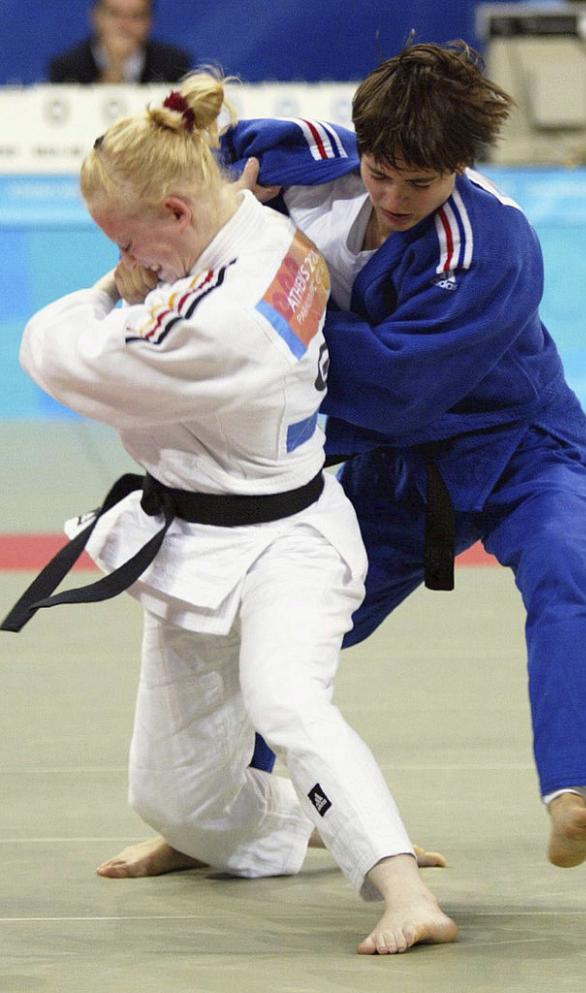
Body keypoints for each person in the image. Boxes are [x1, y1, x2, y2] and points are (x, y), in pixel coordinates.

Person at [95, 40, 586, 884]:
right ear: (364, 144)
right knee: (287, 636)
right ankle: (219, 818)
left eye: (417, 185)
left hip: (522, 446)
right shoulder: (310, 157)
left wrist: (285, 284)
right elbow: (203, 163)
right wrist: (212, 227)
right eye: (381, 173)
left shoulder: (489, 249)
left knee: (563, 574)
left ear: (459, 165)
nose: (392, 197)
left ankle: (575, 792)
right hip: (397, 467)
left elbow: (390, 387)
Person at [4, 70, 457, 956]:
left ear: (177, 212)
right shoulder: (250, 230)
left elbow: (56, 354)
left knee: (286, 698)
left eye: (125, 237)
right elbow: (151, 294)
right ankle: (308, 818)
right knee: (174, 796)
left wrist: (108, 294)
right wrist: (134, 277)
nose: (124, 259)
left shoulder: (234, 311)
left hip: (289, 539)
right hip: (193, 534)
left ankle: (399, 883)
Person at [49, 0, 191, 85]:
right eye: (115, 14)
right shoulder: (67, 69)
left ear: (150, 21)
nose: (124, 25)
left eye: (135, 16)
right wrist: (114, 68)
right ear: (96, 17)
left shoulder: (173, 65)